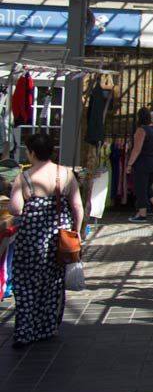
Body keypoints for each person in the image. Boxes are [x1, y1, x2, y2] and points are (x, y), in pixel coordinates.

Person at [9, 131, 84, 348]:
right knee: (53, 282)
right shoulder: (66, 174)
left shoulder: (24, 176)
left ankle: (25, 330)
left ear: (31, 153)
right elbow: (77, 205)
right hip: (58, 237)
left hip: (30, 239)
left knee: (26, 283)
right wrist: (76, 232)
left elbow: (15, 208)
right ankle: (47, 327)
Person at [127, 108, 153, 223]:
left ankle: (142, 214)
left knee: (140, 188)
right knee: (147, 186)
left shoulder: (141, 130)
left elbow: (137, 149)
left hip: (143, 162)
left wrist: (129, 164)